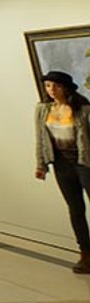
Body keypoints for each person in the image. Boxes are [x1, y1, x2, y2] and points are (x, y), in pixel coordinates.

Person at [34, 69, 90, 273]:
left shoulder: (82, 109)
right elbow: (41, 138)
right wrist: (41, 164)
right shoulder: (43, 109)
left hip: (85, 163)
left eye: (56, 86)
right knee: (75, 210)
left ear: (66, 87)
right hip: (61, 165)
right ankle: (86, 254)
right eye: (48, 86)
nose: (51, 90)